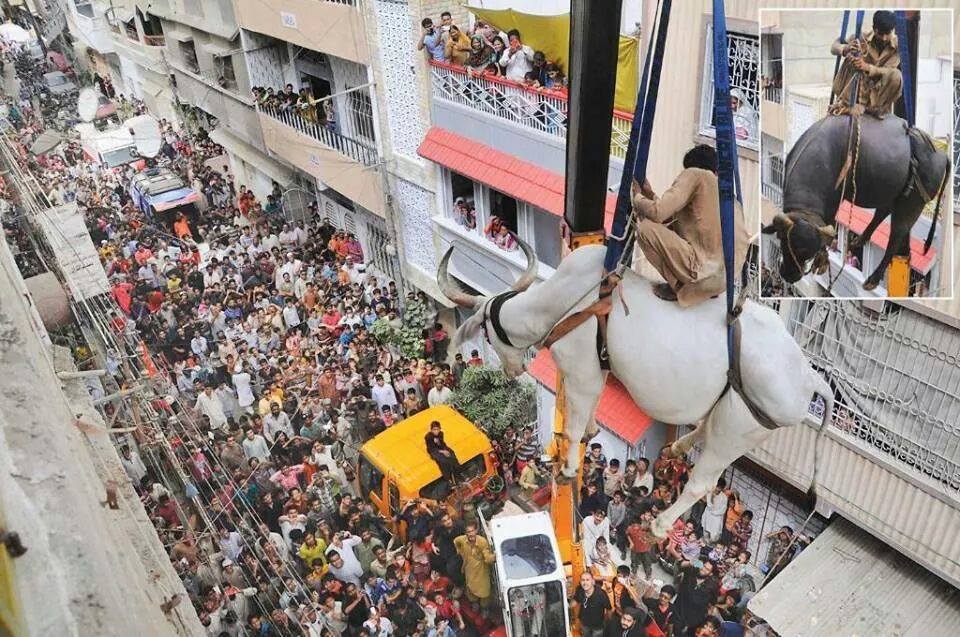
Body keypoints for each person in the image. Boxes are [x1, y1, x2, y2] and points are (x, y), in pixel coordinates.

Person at [630, 144, 750, 305]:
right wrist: (650, 194)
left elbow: (658, 213)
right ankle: (701, 291)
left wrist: (637, 197)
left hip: (702, 271)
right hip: (723, 281)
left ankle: (679, 288)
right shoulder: (729, 196)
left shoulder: (696, 175)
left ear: (690, 167)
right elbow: (674, 220)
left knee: (645, 229)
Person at [829, 10, 901, 118]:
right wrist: (846, 49)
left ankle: (873, 109)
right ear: (874, 29)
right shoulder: (860, 38)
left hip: (876, 93)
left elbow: (889, 70)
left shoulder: (897, 47)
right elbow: (834, 47)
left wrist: (868, 67)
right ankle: (847, 105)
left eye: (888, 34)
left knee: (896, 75)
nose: (884, 38)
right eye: (881, 34)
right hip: (855, 89)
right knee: (851, 59)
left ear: (893, 30)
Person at [453, 523, 495, 608]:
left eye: (472, 531)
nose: (471, 533)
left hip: (481, 572)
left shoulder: (482, 541)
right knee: (470, 590)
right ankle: (474, 603)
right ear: (466, 533)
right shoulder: (462, 540)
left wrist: (495, 556)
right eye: (468, 532)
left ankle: (484, 607)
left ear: (476, 531)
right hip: (469, 571)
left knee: (485, 593)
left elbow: (487, 558)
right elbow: (456, 541)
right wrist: (460, 551)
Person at [573, 572, 611, 637]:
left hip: (598, 627)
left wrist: (607, 623)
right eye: (583, 580)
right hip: (584, 624)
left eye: (587, 580)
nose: (585, 583)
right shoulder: (579, 590)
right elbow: (575, 601)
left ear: (593, 582)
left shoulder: (601, 594)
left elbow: (608, 609)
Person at [700, 478, 728, 543]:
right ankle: (705, 544)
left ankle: (711, 544)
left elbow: (723, 509)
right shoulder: (710, 492)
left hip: (717, 518)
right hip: (708, 514)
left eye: (720, 488)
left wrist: (715, 513)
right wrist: (713, 496)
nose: (718, 489)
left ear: (722, 488)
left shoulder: (724, 497)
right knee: (705, 530)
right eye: (717, 487)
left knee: (714, 535)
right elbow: (709, 505)